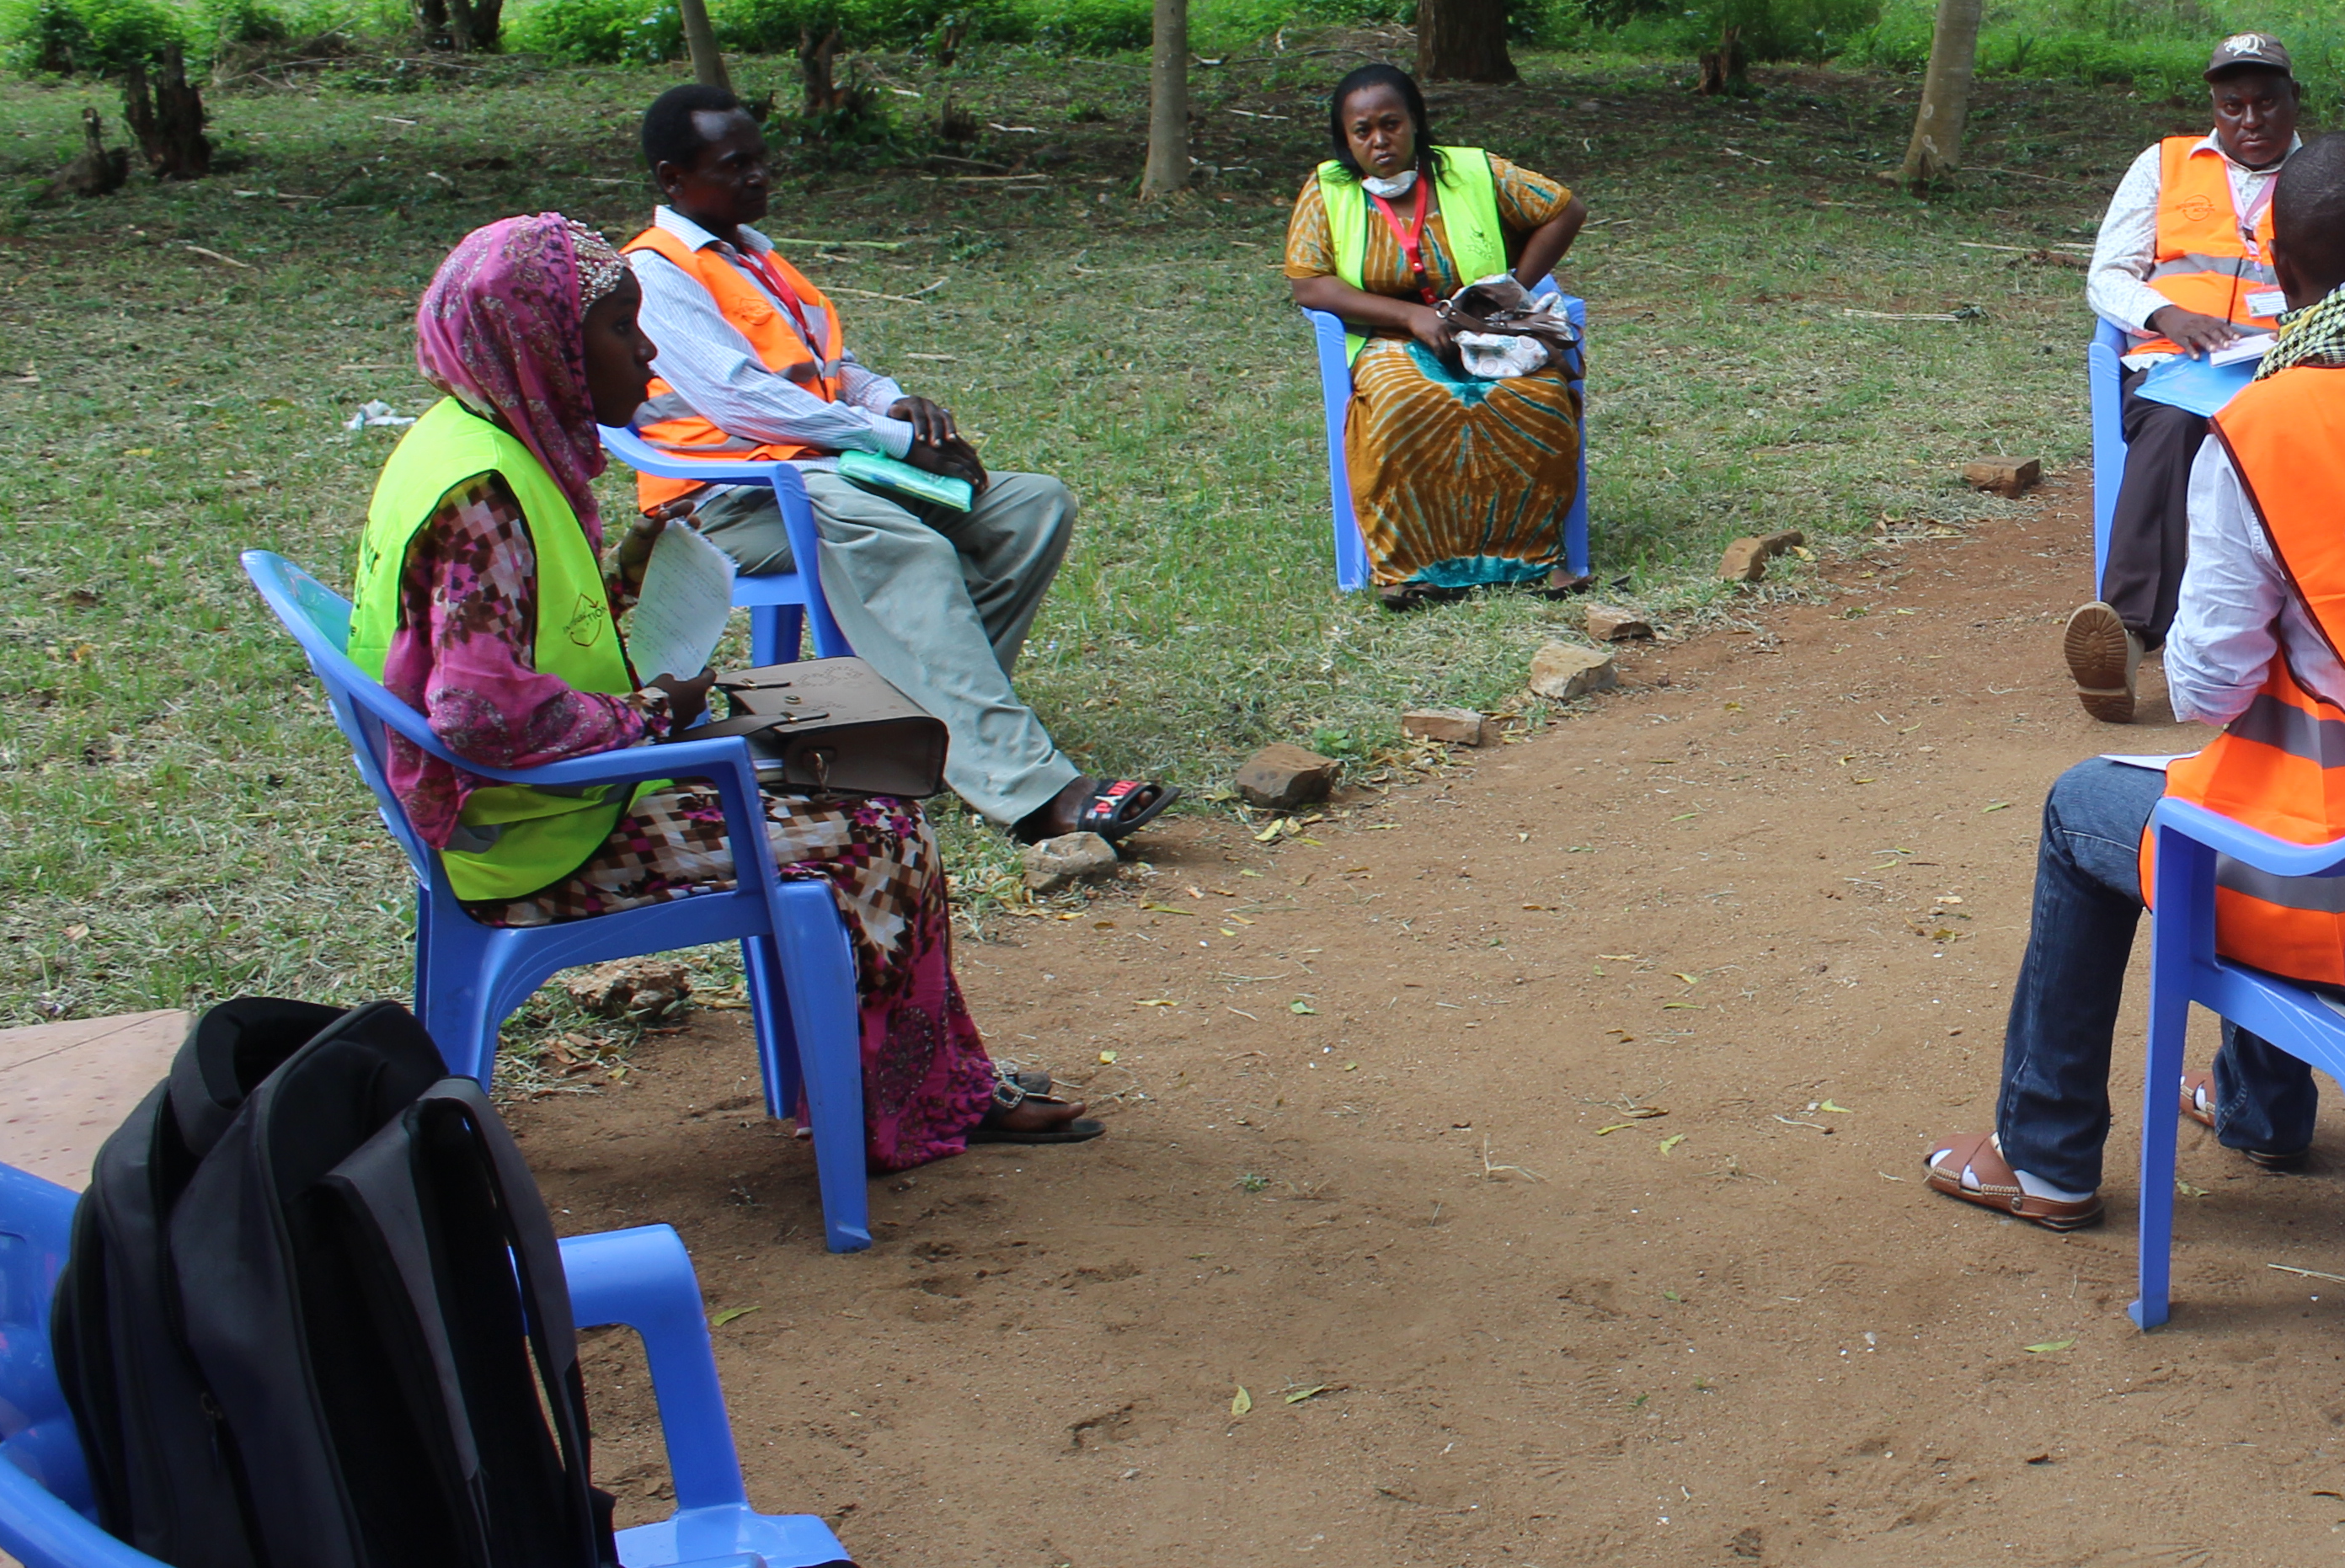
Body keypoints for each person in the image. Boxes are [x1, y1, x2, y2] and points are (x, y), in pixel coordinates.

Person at [1924, 131, 2345, 1228]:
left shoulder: (2262, 433)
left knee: (2100, 804)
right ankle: (2254, 1100)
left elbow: (2206, 687)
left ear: (2284, 278)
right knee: (2278, 759)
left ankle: (2045, 1152)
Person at [353, 213, 1098, 1169]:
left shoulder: (466, 438)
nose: (647, 349)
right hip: (548, 827)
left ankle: (895, 1080)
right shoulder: (482, 496)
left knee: (853, 720)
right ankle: (903, 1107)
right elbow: (484, 715)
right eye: (621, 331)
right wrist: (658, 711)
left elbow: (498, 640)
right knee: (878, 823)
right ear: (545, 345)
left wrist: (625, 580)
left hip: (554, 793)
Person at [623, 85, 1159, 847]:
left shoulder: (753, 257)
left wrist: (898, 400)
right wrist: (891, 439)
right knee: (904, 543)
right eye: (735, 165)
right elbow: (743, 402)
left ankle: (915, 738)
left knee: (1030, 507)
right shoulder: (658, 274)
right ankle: (1035, 791)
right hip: (729, 498)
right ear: (674, 179)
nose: (759, 178)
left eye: (762, 161)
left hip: (819, 472)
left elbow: (827, 368)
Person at [2064, 34, 2308, 723]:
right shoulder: (2163, 166)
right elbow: (2107, 274)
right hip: (2171, 367)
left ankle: (2309, 633)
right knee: (2175, 424)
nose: (2250, 121)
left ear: (2295, 101)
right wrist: (2167, 314)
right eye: (2233, 106)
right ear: (2214, 105)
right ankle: (2129, 633)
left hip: (2283, 371)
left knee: (2294, 433)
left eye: (2266, 103)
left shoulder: (2323, 173)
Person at [1285, 62, 1589, 600]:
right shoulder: (1326, 190)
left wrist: (1508, 290)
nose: (1380, 141)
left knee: (1536, 396)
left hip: (1486, 330)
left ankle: (1534, 560)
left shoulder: (1471, 170)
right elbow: (1309, 283)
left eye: (1392, 124)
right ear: (1346, 140)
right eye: (1363, 131)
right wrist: (1409, 316)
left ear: (1416, 123)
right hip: (1387, 337)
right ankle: (1412, 569)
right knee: (1406, 401)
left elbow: (1565, 210)